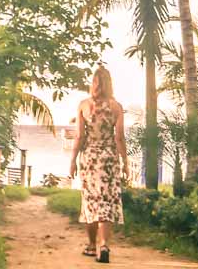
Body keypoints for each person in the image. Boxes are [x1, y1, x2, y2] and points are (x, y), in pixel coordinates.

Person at [69, 65, 128, 264]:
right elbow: (119, 137)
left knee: (91, 201)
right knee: (107, 202)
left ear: (93, 83)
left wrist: (72, 161)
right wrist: (126, 162)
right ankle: (104, 245)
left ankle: (91, 245)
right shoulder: (116, 107)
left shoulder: (84, 105)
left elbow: (79, 135)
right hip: (109, 159)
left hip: (90, 159)